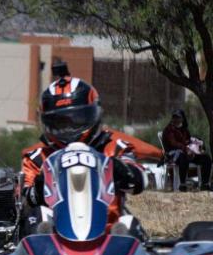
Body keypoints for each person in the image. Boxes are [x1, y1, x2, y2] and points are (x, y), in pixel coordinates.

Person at [22, 69, 146, 237]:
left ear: (94, 114)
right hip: (54, 239)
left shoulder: (114, 148)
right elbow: (26, 199)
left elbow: (139, 182)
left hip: (109, 236)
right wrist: (40, 184)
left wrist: (118, 169)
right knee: (35, 217)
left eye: (76, 120)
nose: (69, 128)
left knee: (129, 225)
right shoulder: (37, 158)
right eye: (61, 122)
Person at [162, 109, 212, 191]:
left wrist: (196, 146)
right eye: (174, 117)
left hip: (187, 152)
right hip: (173, 155)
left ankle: (205, 184)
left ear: (182, 119)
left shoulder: (184, 129)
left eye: (178, 117)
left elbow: (188, 141)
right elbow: (174, 143)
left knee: (206, 158)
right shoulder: (169, 129)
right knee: (183, 157)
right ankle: (182, 184)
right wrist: (187, 149)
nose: (176, 120)